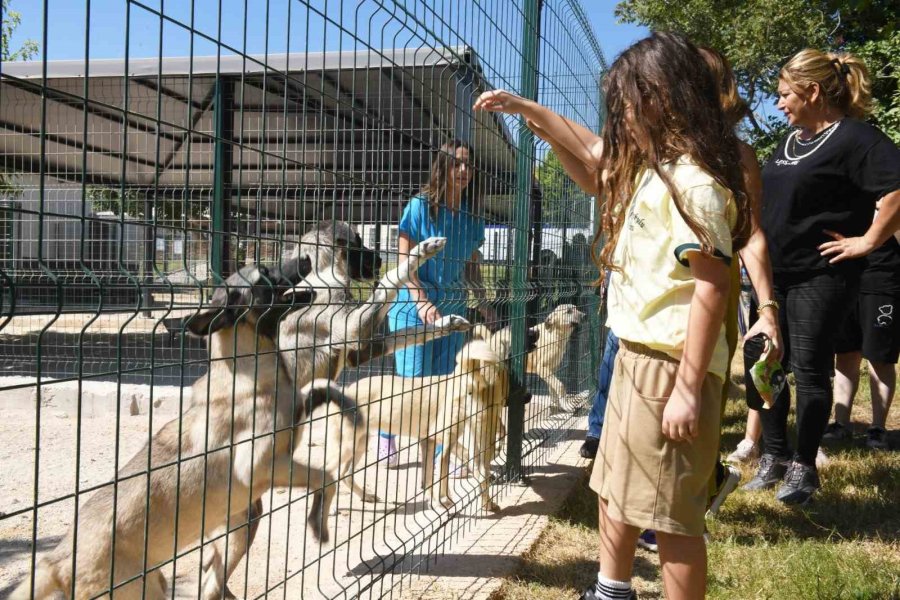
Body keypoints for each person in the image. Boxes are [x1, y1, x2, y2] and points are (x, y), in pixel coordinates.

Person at [477, 31, 753, 600]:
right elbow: (594, 160)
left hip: (668, 366)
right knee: (617, 485)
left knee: (671, 517)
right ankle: (611, 589)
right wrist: (535, 117)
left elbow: (711, 289)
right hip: (633, 353)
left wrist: (688, 388)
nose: (619, 116)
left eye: (627, 102)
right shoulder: (655, 170)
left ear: (660, 98)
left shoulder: (694, 186)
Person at [742, 49, 900, 505]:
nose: (779, 104)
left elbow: (896, 188)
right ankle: (773, 456)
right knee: (763, 358)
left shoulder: (856, 138)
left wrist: (868, 240)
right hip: (776, 274)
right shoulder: (790, 141)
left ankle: (804, 468)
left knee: (809, 370)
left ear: (812, 92)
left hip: (822, 276)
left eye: (784, 95)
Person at [379, 139, 496, 467]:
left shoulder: (473, 218)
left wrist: (483, 302)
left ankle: (445, 453)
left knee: (448, 384)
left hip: (454, 306)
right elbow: (403, 259)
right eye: (456, 163)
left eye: (468, 165)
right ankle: (387, 434)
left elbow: (472, 265)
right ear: (442, 166)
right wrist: (420, 301)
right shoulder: (419, 206)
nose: (463, 170)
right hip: (412, 307)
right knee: (412, 383)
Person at [824, 199, 899, 450]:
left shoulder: (892, 186)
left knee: (880, 356)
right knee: (845, 353)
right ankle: (840, 424)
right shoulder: (847, 181)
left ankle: (877, 428)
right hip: (843, 272)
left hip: (883, 276)